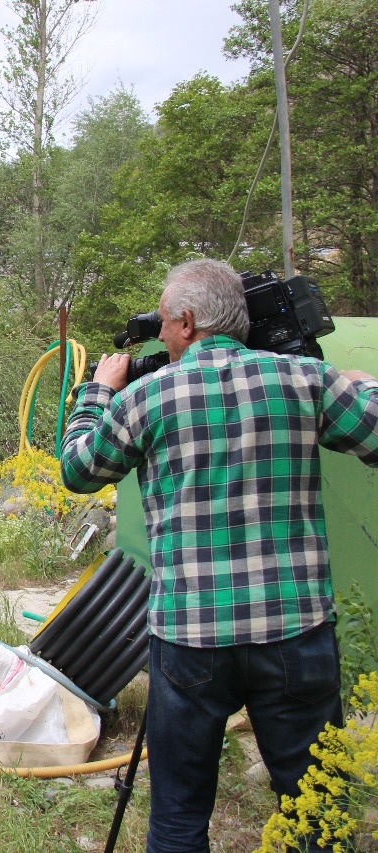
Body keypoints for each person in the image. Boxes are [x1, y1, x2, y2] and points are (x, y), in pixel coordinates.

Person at [58, 258, 378, 852]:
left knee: (179, 817)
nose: (157, 331)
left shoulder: (146, 399)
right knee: (318, 814)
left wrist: (99, 390)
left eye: (161, 320)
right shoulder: (307, 379)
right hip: (295, 632)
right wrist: (359, 383)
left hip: (190, 640)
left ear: (185, 322)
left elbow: (78, 470)